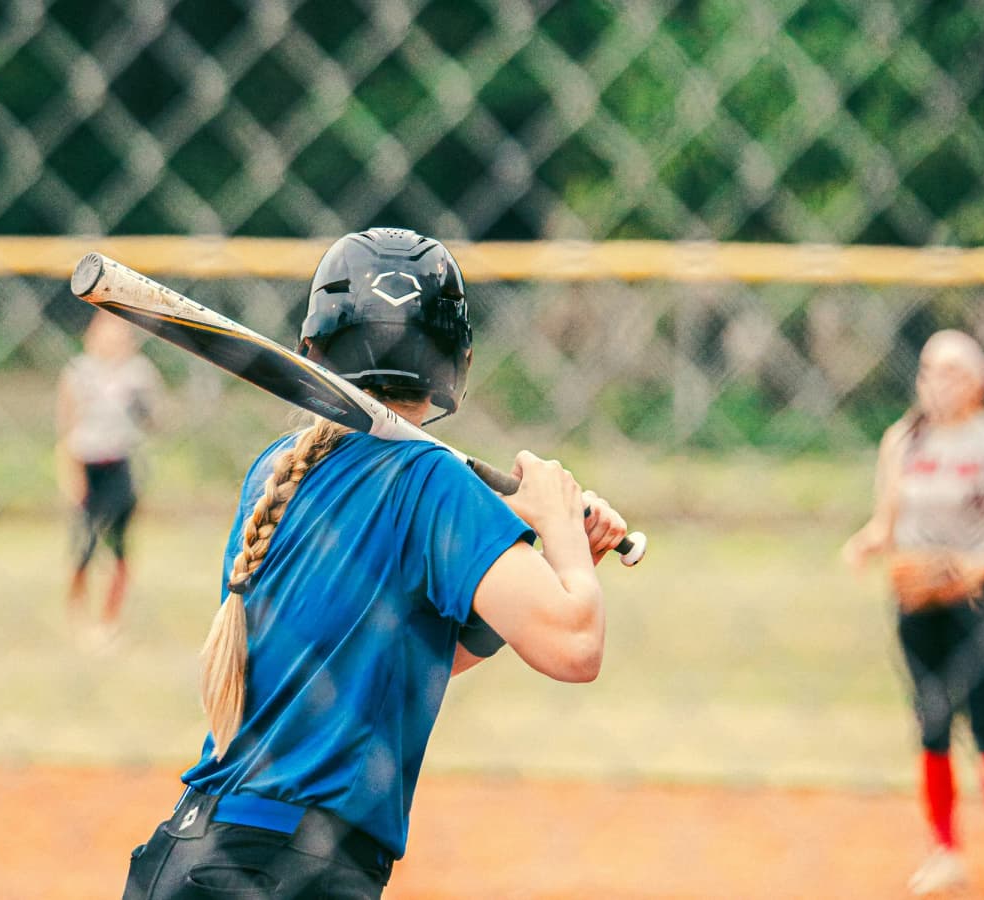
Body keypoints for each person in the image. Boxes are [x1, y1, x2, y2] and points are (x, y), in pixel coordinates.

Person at [120, 227, 628, 899]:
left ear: (315, 345)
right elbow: (576, 647)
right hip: (293, 875)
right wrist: (560, 530)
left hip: (188, 857)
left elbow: (395, 662)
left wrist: (561, 566)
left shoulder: (277, 472)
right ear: (457, 358)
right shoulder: (434, 481)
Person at [843, 329, 984, 896]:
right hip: (915, 600)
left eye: (951, 372)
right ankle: (946, 852)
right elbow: (885, 521)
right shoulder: (903, 439)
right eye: (929, 370)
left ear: (980, 383)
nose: (937, 382)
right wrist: (865, 544)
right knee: (932, 721)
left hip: (977, 601)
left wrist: (975, 570)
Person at [56, 310, 162, 651]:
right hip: (87, 461)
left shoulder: (139, 374)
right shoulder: (78, 372)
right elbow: (66, 425)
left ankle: (110, 619)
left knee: (118, 546)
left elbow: (155, 421)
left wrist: (143, 408)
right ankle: (77, 614)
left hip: (121, 462)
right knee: (83, 547)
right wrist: (70, 474)